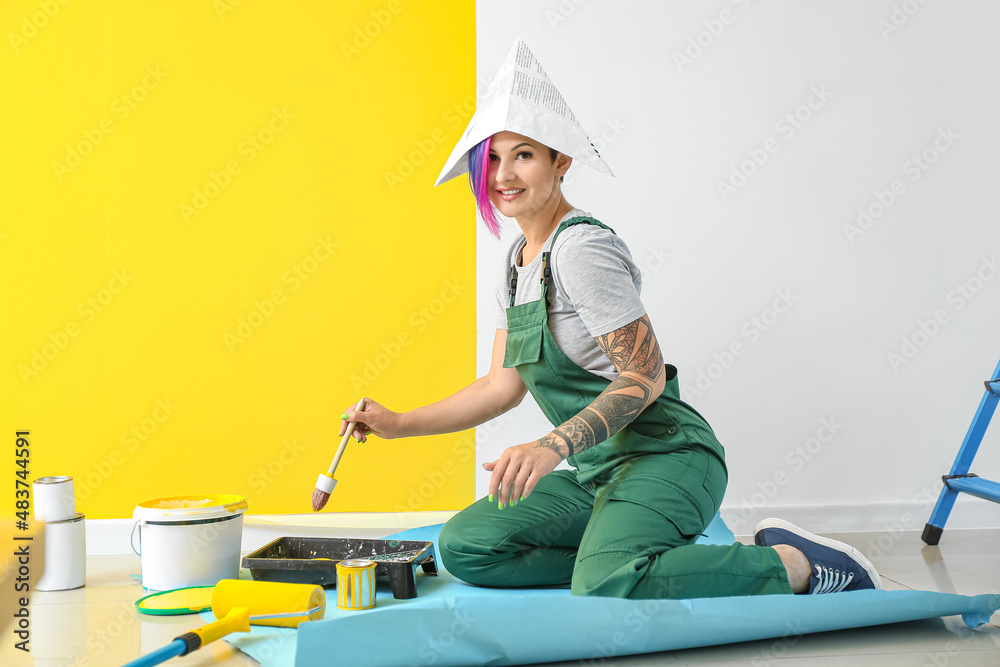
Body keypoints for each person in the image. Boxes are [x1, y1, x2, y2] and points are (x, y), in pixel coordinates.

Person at [340, 38, 881, 600]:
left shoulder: (582, 249)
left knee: (605, 582)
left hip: (666, 457)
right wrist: (397, 423)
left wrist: (551, 446)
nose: (503, 173)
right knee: (467, 547)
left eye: (523, 154)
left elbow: (643, 378)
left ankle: (797, 565)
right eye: (493, 157)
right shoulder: (516, 263)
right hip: (600, 473)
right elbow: (501, 387)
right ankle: (641, 551)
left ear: (561, 161)